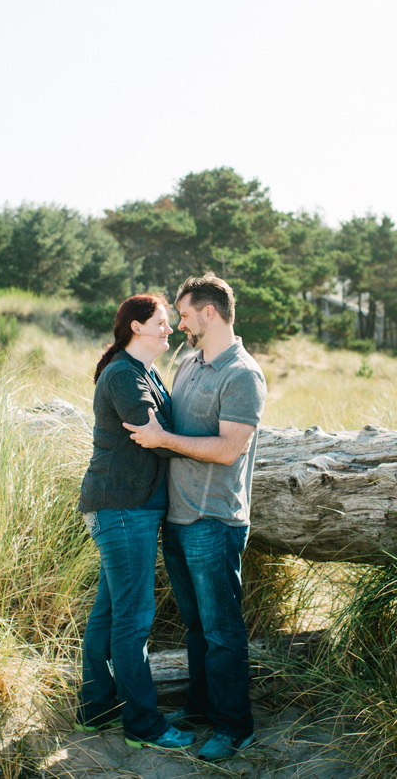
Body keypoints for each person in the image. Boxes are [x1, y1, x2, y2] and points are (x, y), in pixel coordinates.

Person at [123, 273, 267, 763]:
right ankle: (204, 709)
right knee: (196, 627)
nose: (179, 324)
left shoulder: (242, 374)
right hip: (178, 517)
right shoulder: (188, 362)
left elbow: (229, 450)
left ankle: (234, 728)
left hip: (215, 519)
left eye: (184, 315)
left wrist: (163, 440)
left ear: (209, 313)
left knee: (223, 631)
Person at [74, 294, 196, 751]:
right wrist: (218, 443)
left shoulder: (143, 371)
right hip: (122, 508)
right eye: (162, 323)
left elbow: (161, 433)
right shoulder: (125, 375)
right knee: (133, 618)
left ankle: (97, 709)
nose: (170, 330)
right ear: (136, 327)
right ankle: (143, 725)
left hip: (129, 507)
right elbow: (155, 440)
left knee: (110, 612)